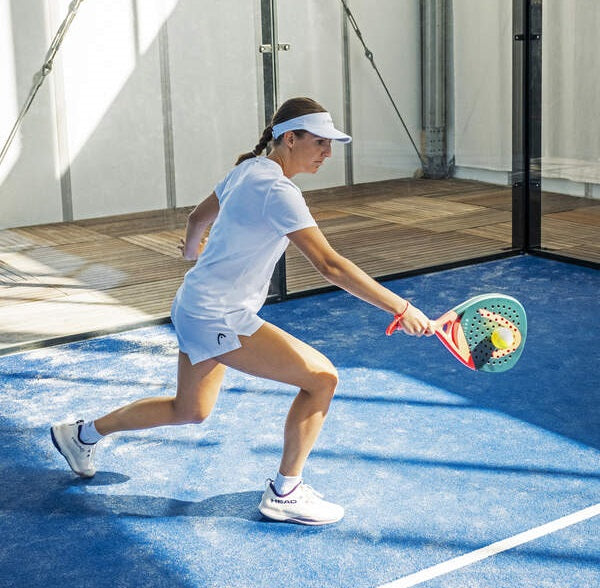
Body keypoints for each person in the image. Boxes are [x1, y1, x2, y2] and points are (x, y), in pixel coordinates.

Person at [51, 97, 436, 526]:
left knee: (189, 410)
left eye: (331, 144)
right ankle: (285, 493)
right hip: (218, 316)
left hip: (194, 304)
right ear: (290, 139)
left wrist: (193, 254)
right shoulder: (278, 191)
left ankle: (80, 434)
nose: (328, 152)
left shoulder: (249, 169)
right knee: (322, 379)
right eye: (320, 142)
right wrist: (401, 308)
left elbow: (197, 218)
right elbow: (330, 265)